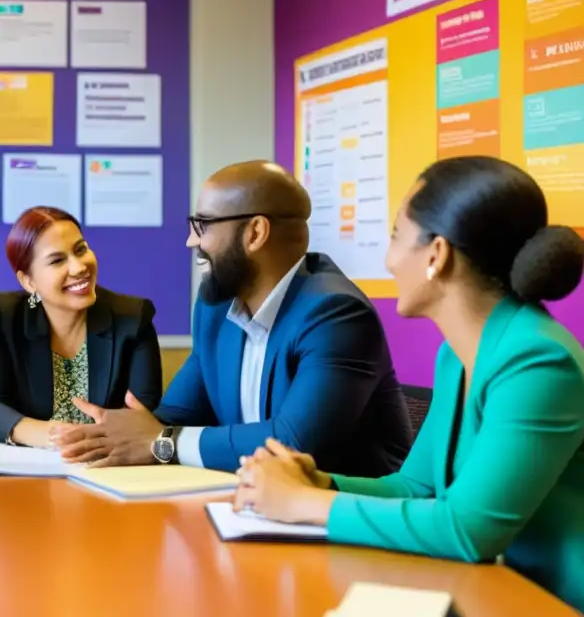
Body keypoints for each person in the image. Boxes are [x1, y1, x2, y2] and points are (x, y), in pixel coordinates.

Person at [234, 157, 584, 612]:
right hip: (484, 588)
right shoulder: (455, 356)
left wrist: (302, 502)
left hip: (550, 600)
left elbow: (469, 530)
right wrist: (321, 483)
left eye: (397, 236)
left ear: (436, 255)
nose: (389, 259)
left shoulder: (538, 361)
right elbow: (415, 488)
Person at [53, 161, 412, 475]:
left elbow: (294, 442)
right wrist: (109, 434)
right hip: (256, 505)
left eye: (202, 225)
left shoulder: (335, 314)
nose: (190, 241)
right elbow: (175, 417)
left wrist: (162, 442)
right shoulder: (215, 307)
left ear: (255, 233)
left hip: (349, 520)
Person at [0, 206, 163, 447]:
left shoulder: (133, 319)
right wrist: (48, 434)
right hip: (28, 468)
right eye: (57, 260)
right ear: (28, 281)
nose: (79, 267)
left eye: (80, 250)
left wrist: (89, 440)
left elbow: (142, 413)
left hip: (109, 464)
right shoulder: (5, 317)